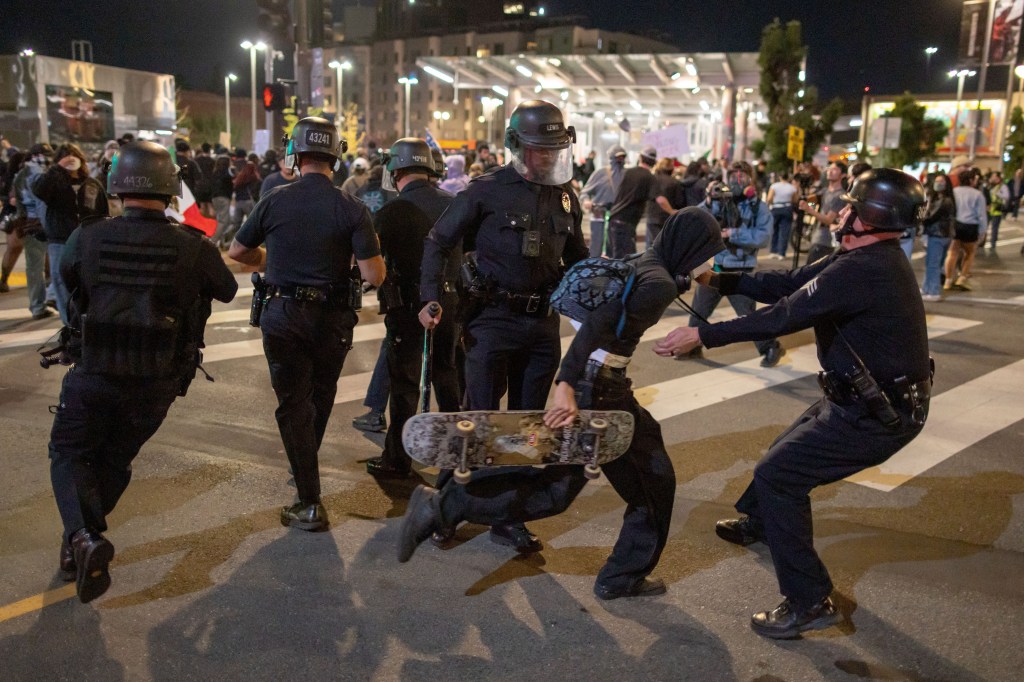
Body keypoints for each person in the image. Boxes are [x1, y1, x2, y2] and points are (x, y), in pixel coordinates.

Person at [653, 168, 932, 639]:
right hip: (862, 400)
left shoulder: (864, 270)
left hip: (876, 415)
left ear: (869, 218)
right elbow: (788, 283)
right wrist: (714, 277)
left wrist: (701, 333)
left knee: (779, 476)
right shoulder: (861, 257)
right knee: (785, 450)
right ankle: (760, 522)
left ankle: (809, 601)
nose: (839, 212)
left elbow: (783, 316)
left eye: (850, 207)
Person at [398, 208, 726, 602]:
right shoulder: (658, 284)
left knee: (567, 487)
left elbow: (658, 287)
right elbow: (600, 324)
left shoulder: (648, 263)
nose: (707, 261)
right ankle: (444, 507)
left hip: (601, 387)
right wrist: (566, 382)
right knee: (631, 483)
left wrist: (703, 276)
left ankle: (445, 506)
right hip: (601, 391)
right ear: (690, 247)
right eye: (706, 251)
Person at [48, 141, 237, 603]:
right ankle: (82, 538)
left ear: (117, 187)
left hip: (94, 371)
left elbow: (67, 284)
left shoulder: (88, 236)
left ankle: (84, 538)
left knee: (70, 452)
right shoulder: (191, 245)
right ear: (171, 190)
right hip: (157, 380)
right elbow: (228, 289)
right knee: (115, 459)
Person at [417, 100, 588, 552]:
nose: (548, 157)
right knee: (480, 421)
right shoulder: (485, 190)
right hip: (490, 322)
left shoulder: (566, 195)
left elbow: (578, 261)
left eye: (554, 148)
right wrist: (430, 297)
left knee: (528, 429)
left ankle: (507, 516)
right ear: (516, 145)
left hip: (541, 326)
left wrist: (599, 294)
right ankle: (445, 506)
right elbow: (438, 241)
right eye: (539, 148)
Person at [229, 117, 385, 532]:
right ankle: (305, 471)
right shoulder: (352, 207)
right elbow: (374, 276)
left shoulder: (275, 200)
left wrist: (271, 261)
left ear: (295, 155)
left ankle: (308, 496)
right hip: (332, 318)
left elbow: (237, 251)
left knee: (292, 402)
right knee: (319, 396)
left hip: (283, 317)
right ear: (337, 156)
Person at [364, 138, 462, 478]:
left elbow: (374, 262)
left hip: (407, 306)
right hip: (449, 303)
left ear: (396, 170)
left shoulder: (391, 211)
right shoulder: (454, 204)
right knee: (447, 379)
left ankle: (398, 459)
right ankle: (456, 457)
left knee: (404, 385)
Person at [680, 170, 783, 367]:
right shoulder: (719, 198)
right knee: (699, 311)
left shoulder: (757, 207)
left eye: (742, 177)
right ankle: (692, 345)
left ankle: (771, 347)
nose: (737, 182)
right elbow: (697, 218)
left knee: (748, 317)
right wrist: (710, 199)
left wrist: (734, 234)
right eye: (733, 177)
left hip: (740, 270)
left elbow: (764, 238)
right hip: (715, 266)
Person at [32, 143, 109, 324]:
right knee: (61, 284)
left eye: (74, 156)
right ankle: (69, 327)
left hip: (88, 240)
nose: (71, 160)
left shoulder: (91, 184)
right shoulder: (54, 183)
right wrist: (57, 169)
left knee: (89, 283)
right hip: (60, 241)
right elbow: (39, 191)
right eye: (65, 157)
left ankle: (87, 324)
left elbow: (103, 211)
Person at [12, 143, 53, 319]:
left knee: (34, 267)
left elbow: (18, 202)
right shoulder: (40, 173)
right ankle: (45, 301)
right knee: (51, 264)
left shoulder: (20, 174)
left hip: (28, 223)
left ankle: (37, 305)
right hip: (42, 223)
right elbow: (43, 201)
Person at [606, 146, 657, 258]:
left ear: (640, 158)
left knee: (613, 260)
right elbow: (658, 199)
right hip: (625, 225)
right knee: (625, 263)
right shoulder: (650, 178)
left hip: (614, 221)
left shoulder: (627, 172)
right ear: (654, 162)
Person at [578, 145, 626, 257]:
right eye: (618, 157)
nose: (620, 160)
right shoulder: (600, 173)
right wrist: (586, 201)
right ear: (612, 157)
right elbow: (584, 192)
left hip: (617, 216)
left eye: (623, 157)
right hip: (599, 214)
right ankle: (594, 269)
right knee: (596, 246)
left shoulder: (626, 175)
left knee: (615, 248)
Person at [945, 169, 986, 291]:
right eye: (974, 179)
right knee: (970, 253)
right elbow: (982, 215)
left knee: (952, 253)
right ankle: (962, 278)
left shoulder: (953, 191)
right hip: (970, 226)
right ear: (970, 180)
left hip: (956, 224)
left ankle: (948, 280)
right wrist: (982, 231)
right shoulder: (977, 194)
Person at [800, 162, 846, 264]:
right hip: (817, 235)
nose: (830, 171)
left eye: (834, 169)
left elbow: (829, 219)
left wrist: (809, 209)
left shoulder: (840, 195)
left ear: (843, 175)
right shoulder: (825, 191)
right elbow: (812, 202)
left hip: (825, 240)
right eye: (829, 168)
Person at [920, 172, 955, 302]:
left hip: (938, 234)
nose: (938, 184)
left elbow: (931, 217)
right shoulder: (942, 199)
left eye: (941, 182)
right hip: (942, 235)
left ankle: (933, 291)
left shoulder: (944, 201)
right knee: (932, 263)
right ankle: (927, 288)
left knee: (933, 264)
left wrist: (920, 218)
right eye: (937, 181)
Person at [646, 157, 683, 248]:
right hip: (668, 217)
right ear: (672, 168)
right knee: (665, 245)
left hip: (652, 216)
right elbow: (680, 201)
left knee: (651, 246)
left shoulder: (652, 179)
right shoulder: (675, 182)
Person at [766, 172, 798, 259]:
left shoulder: (774, 186)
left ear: (780, 177)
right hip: (787, 208)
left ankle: (773, 251)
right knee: (785, 231)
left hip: (776, 208)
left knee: (774, 230)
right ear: (788, 178)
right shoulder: (792, 188)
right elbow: (795, 200)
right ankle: (781, 253)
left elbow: (769, 199)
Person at [983, 170, 1009, 253]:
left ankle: (993, 244)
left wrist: (998, 194)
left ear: (998, 178)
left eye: (994, 176)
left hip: (997, 210)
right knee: (984, 227)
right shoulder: (989, 186)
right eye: (992, 176)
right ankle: (982, 243)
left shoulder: (1002, 186)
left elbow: (1007, 196)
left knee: (994, 228)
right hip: (988, 210)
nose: (993, 178)